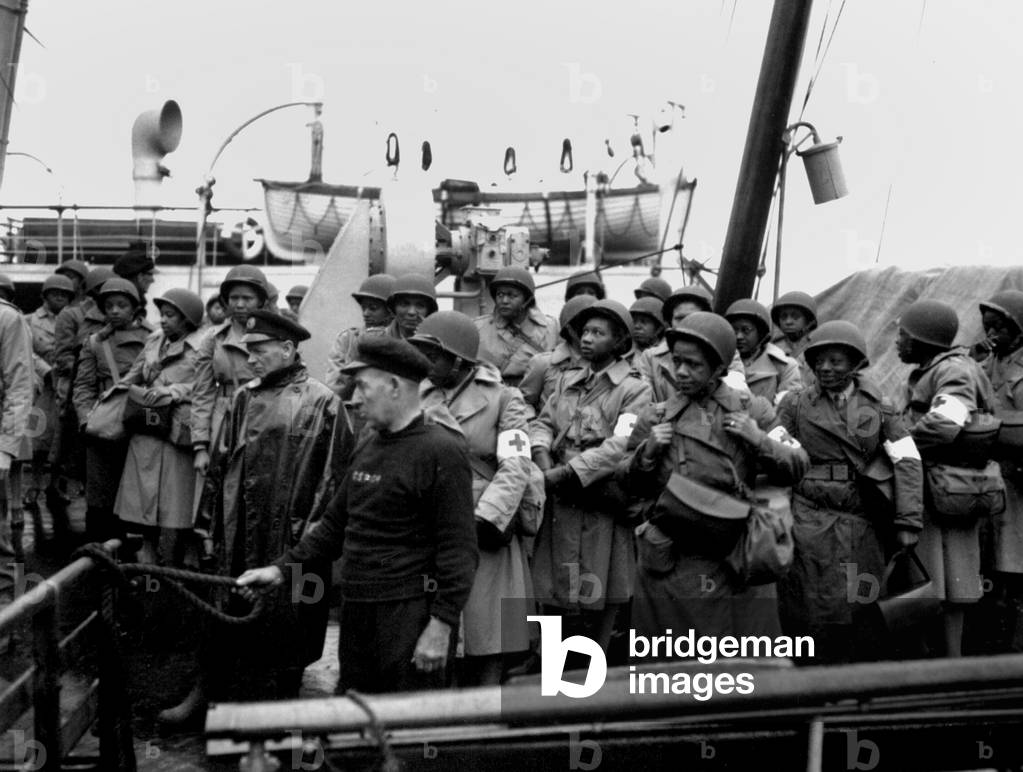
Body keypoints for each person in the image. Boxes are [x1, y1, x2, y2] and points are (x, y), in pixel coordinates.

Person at [237, 336, 476, 694]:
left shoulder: (442, 450)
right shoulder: (369, 443)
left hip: (409, 614)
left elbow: (459, 550)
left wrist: (440, 626)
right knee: (355, 721)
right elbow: (335, 525)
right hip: (359, 610)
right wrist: (280, 570)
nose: (355, 397)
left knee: (407, 731)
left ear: (394, 386)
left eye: (363, 385)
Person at [162, 310, 354, 722]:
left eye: (259, 351)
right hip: (238, 530)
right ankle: (208, 692)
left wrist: (308, 544)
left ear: (287, 349)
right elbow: (219, 464)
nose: (251, 360)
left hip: (294, 540)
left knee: (292, 623)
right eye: (248, 352)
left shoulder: (324, 402)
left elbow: (333, 483)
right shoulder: (244, 398)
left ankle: (284, 704)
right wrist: (207, 525)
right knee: (225, 612)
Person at [622, 313, 808, 649]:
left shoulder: (754, 411)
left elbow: (797, 465)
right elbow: (624, 484)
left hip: (732, 556)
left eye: (693, 365)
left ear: (719, 368)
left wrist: (759, 440)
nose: (681, 372)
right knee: (673, 667)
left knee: (737, 668)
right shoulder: (656, 415)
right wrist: (646, 453)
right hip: (673, 558)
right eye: (677, 362)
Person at [775, 320, 923, 663]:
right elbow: (775, 456)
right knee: (807, 607)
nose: (826, 369)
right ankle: (811, 688)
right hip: (807, 520)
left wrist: (908, 521)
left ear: (856, 363)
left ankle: (853, 689)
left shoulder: (879, 406)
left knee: (861, 605)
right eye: (819, 361)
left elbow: (907, 461)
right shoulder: (796, 404)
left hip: (862, 521)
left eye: (836, 361)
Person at [411, 311, 534, 685]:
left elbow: (517, 462)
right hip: (429, 523)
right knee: (431, 631)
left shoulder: (505, 399)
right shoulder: (418, 394)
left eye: (433, 355)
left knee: (489, 634)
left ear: (459, 359)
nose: (425, 363)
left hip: (484, 524)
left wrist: (485, 516)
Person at [528, 300, 652, 654]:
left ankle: (592, 671)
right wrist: (540, 458)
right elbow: (543, 422)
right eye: (584, 331)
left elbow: (621, 445)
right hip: (560, 501)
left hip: (599, 499)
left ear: (619, 342)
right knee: (552, 587)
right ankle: (549, 668)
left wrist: (565, 474)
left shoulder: (633, 389)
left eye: (598, 333)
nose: (587, 339)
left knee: (602, 588)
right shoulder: (567, 380)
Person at [896, 299, 1000, 657]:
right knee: (936, 581)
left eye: (903, 335)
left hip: (946, 488)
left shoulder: (954, 371)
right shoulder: (940, 368)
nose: (897, 342)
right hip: (941, 485)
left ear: (922, 339)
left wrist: (899, 443)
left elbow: (946, 423)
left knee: (948, 582)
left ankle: (948, 667)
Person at [114, 289, 206, 566]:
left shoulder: (203, 346)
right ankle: (149, 552)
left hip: (179, 428)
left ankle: (184, 552)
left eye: (171, 315)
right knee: (144, 495)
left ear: (188, 319)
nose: (163, 320)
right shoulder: (154, 340)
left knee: (179, 498)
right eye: (162, 314)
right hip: (148, 426)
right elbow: (134, 374)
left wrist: (175, 390)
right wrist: (119, 394)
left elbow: (207, 386)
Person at [72, 278, 153, 543]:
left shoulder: (152, 340)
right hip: (104, 427)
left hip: (140, 424)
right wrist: (87, 419)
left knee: (139, 496)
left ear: (134, 308)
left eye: (121, 305)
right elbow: (83, 385)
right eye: (109, 306)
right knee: (100, 499)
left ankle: (137, 563)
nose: (115, 311)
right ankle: (98, 559)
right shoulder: (94, 342)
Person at [974, 290, 1023, 650]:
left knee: (1015, 565)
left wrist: (986, 424)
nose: (992, 334)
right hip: (988, 478)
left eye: (1000, 327)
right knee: (990, 566)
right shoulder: (982, 364)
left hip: (1017, 479)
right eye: (988, 326)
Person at [191, 265, 269, 476]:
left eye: (247, 298)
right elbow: (202, 392)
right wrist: (200, 446)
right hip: (223, 420)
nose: (240, 304)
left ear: (261, 300)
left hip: (264, 418)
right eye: (234, 298)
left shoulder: (275, 337)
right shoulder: (213, 338)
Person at [49, 267, 112, 521]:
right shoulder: (72, 314)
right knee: (70, 444)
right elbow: (61, 355)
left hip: (105, 390)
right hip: (77, 386)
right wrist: (85, 362)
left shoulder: (115, 313)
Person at [24, 273, 77, 542]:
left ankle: (55, 485)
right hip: (42, 387)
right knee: (39, 441)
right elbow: (26, 351)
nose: (60, 299)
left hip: (66, 387)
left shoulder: (71, 320)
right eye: (55, 294)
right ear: (45, 296)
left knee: (62, 440)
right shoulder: (30, 321)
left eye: (65, 295)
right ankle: (33, 484)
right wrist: (45, 371)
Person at [636, 285, 748, 402]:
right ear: (670, 321)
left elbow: (738, 395)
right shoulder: (651, 357)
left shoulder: (724, 350)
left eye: (694, 317)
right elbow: (643, 401)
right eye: (679, 318)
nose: (687, 322)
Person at [0, 288, 36, 650]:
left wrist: (5, 449)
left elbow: (19, 387)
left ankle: (4, 621)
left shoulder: (7, 319)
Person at [474, 267, 558, 388]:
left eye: (512, 295)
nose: (504, 300)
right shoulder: (478, 328)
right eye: (500, 294)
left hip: (534, 397)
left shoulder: (551, 327)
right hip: (492, 397)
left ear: (527, 299)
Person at [519, 295, 596, 417]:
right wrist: (536, 427)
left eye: (596, 329)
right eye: (584, 329)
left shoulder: (608, 363)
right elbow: (523, 403)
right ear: (570, 329)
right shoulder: (543, 363)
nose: (589, 334)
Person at [325, 273, 397, 398]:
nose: (365, 313)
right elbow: (335, 390)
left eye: (373, 308)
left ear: (391, 311)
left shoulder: (401, 339)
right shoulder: (347, 339)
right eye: (363, 308)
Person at [725, 298, 802, 406]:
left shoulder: (785, 366)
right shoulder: (720, 361)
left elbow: (788, 410)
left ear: (760, 332)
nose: (739, 336)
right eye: (734, 330)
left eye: (746, 330)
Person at [771, 290, 818, 384]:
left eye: (795, 316)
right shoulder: (773, 348)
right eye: (783, 317)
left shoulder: (817, 346)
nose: (788, 322)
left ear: (808, 321)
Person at [387, 274, 438, 340]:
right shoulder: (376, 340)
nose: (412, 312)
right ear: (394, 308)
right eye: (404, 304)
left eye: (420, 306)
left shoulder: (439, 344)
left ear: (429, 311)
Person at [112, 243, 157, 313]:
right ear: (140, 277)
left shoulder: (136, 302)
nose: (153, 280)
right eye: (150, 275)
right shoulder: (132, 305)